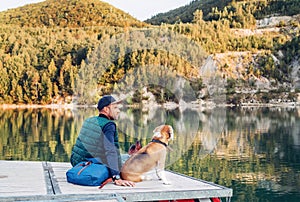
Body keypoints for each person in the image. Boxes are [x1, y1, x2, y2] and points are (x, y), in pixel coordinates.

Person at [70, 95, 135, 187]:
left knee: (124, 157)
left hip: (78, 162)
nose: (118, 111)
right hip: (92, 165)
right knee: (131, 161)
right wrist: (116, 177)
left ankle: (130, 155)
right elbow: (110, 151)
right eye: (115, 107)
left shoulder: (89, 120)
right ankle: (131, 156)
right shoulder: (108, 125)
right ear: (106, 109)